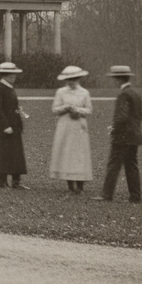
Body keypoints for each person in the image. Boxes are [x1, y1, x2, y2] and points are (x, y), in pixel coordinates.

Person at [95, 65, 142, 203]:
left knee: (113, 165)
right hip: (134, 135)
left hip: (122, 137)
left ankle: (106, 194)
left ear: (118, 79)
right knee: (131, 165)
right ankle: (135, 196)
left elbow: (121, 117)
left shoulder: (123, 95)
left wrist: (113, 129)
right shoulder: (135, 93)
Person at [0, 62, 29, 189]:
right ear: (6, 75)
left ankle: (16, 182)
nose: (14, 76)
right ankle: (3, 182)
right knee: (3, 154)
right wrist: (5, 126)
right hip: (4, 126)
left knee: (15, 153)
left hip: (14, 124)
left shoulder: (9, 88)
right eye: (12, 74)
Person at [49, 65, 93, 194]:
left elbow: (89, 110)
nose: (71, 82)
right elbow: (54, 109)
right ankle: (70, 185)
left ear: (78, 79)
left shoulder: (84, 92)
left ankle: (80, 186)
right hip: (65, 125)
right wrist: (66, 107)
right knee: (67, 152)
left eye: (73, 79)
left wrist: (78, 110)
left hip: (78, 125)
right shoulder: (61, 92)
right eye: (68, 80)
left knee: (79, 154)